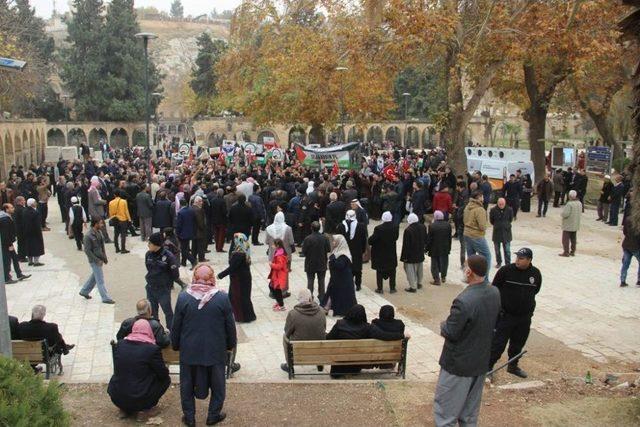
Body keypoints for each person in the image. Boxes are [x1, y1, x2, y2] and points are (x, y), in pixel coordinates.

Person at [433, 255, 500, 427]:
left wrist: (443, 324)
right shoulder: (494, 292)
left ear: (469, 271)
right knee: (469, 414)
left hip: (458, 365)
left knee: (446, 413)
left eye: (465, 267)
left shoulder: (464, 301)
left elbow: (451, 331)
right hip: (479, 362)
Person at [172, 264, 237, 427]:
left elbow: (176, 326)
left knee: (186, 385)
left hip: (189, 350)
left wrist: (175, 345)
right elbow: (230, 326)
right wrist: (230, 345)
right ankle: (213, 415)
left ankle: (189, 417)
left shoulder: (184, 298)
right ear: (212, 279)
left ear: (194, 278)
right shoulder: (222, 298)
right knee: (218, 386)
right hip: (215, 351)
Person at [488, 248, 541, 380]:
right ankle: (488, 368)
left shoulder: (535, 274)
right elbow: (495, 288)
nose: (517, 260)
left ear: (529, 260)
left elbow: (536, 290)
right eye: (517, 257)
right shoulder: (506, 271)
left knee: (518, 343)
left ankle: (513, 365)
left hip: (524, 317)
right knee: (498, 344)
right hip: (506, 316)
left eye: (521, 258)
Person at [108, 319, 171, 418]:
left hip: (117, 396)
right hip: (140, 397)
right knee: (166, 379)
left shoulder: (120, 345)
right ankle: (145, 409)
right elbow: (163, 373)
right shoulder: (152, 349)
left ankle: (124, 409)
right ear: (148, 331)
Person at [326, 304, 404, 378]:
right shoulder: (368, 328)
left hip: (337, 368)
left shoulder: (339, 324)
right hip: (355, 367)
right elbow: (384, 335)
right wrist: (402, 335)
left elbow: (329, 338)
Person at [280, 288, 326, 373]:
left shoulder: (293, 314)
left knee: (285, 338)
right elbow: (324, 328)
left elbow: (287, 331)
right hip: (318, 348)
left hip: (299, 350)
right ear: (310, 298)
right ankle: (319, 363)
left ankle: (289, 365)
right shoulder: (321, 311)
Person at [217, 233, 257, 323]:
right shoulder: (244, 250)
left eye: (235, 239)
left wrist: (220, 275)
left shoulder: (239, 254)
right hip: (244, 278)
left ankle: (245, 317)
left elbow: (232, 268)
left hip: (239, 280)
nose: (234, 241)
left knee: (240, 298)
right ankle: (246, 315)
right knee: (236, 297)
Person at [145, 232, 180, 329]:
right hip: (150, 288)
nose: (148, 245)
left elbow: (175, 274)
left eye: (150, 243)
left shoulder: (169, 257)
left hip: (163, 290)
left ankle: (172, 332)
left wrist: (166, 282)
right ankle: (156, 332)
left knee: (168, 312)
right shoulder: (148, 255)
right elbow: (149, 269)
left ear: (156, 244)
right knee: (152, 313)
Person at [79, 218, 115, 304]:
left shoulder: (99, 232)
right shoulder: (88, 236)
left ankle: (84, 291)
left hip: (100, 259)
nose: (102, 225)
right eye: (100, 223)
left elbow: (102, 247)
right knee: (100, 280)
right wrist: (97, 260)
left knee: (95, 277)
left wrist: (104, 258)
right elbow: (87, 251)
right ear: (95, 224)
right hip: (94, 260)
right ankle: (105, 297)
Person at [322, 234, 357, 316]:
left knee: (341, 295)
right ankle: (326, 307)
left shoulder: (344, 254)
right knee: (332, 292)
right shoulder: (336, 251)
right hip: (336, 278)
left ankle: (341, 311)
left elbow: (340, 266)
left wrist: (333, 258)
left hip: (343, 280)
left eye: (335, 241)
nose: (333, 242)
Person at [368, 211, 399, 294]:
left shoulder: (378, 228)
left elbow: (372, 240)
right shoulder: (395, 227)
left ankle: (380, 288)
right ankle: (392, 288)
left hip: (380, 253)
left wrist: (370, 240)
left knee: (379, 271)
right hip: (391, 252)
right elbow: (396, 238)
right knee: (392, 271)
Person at [0, 203, 30, 283]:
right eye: (11, 208)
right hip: (6, 244)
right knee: (7, 261)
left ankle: (19, 274)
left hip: (8, 243)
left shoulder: (7, 217)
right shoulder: (5, 219)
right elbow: (5, 234)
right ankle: (6, 278)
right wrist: (9, 244)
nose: (13, 209)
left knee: (15, 258)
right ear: (6, 209)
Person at [338, 210, 368, 291]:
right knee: (357, 269)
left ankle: (346, 284)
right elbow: (363, 240)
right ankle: (358, 285)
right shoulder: (361, 226)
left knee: (346, 268)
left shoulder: (341, 226)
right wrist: (363, 250)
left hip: (344, 251)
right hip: (357, 251)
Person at [301, 221, 331, 300]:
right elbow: (328, 249)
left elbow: (303, 252)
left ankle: (309, 297)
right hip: (322, 262)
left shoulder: (308, 238)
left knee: (310, 281)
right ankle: (322, 297)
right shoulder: (325, 238)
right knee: (321, 281)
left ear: (311, 228)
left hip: (310, 263)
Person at [463, 191, 492, 269]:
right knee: (487, 256)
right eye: (482, 196)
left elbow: (464, 220)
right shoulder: (480, 209)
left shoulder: (467, 206)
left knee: (471, 258)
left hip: (467, 233)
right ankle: (484, 279)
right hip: (476, 235)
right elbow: (482, 226)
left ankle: (471, 278)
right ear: (479, 197)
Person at [400, 213, 427, 293]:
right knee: (419, 269)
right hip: (420, 252)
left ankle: (413, 287)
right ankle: (419, 283)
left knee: (410, 270)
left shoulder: (408, 230)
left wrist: (404, 257)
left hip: (411, 255)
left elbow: (406, 245)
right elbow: (426, 239)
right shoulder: (423, 227)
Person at [427, 210, 452, 286]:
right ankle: (443, 277)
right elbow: (449, 238)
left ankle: (436, 279)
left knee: (434, 264)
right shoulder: (448, 225)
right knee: (444, 262)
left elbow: (429, 239)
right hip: (445, 247)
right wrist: (449, 247)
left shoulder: (432, 226)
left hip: (434, 248)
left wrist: (426, 248)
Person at [489, 198, 514, 269]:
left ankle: (508, 263)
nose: (501, 205)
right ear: (497, 203)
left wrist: (505, 225)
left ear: (505, 203)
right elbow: (491, 221)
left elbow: (510, 219)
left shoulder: (509, 209)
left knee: (507, 250)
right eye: (500, 204)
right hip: (497, 232)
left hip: (506, 232)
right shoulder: (493, 210)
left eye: (502, 204)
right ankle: (499, 262)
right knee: (497, 250)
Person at [176, 198, 197, 269]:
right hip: (190, 232)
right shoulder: (191, 211)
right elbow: (194, 222)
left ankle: (193, 261)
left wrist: (177, 233)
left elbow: (179, 225)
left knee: (184, 250)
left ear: (180, 204)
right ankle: (183, 262)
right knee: (185, 247)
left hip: (183, 234)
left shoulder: (180, 213)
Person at [268, 239, 289, 311]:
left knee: (277, 291)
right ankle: (278, 302)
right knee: (272, 287)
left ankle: (281, 306)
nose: (272, 245)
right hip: (276, 275)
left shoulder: (280, 256)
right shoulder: (279, 252)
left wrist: (272, 264)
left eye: (274, 244)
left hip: (279, 276)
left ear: (278, 245)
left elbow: (279, 266)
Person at [559, 190, 582, 257]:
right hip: (575, 223)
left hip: (568, 224)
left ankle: (566, 252)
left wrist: (562, 214)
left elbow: (565, 214)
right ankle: (573, 251)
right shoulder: (579, 203)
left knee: (565, 239)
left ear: (569, 196)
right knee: (573, 239)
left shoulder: (569, 204)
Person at [620, 217, 640, 287]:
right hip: (636, 246)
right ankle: (639, 280)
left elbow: (624, 232)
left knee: (625, 263)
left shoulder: (628, 219)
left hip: (627, 244)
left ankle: (622, 280)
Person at [24, 198, 45, 266]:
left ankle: (30, 261)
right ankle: (36, 262)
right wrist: (39, 232)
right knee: (36, 246)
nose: (36, 203)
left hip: (27, 232)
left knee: (29, 246)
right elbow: (37, 224)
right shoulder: (35, 212)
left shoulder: (24, 211)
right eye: (35, 202)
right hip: (35, 232)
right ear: (32, 204)